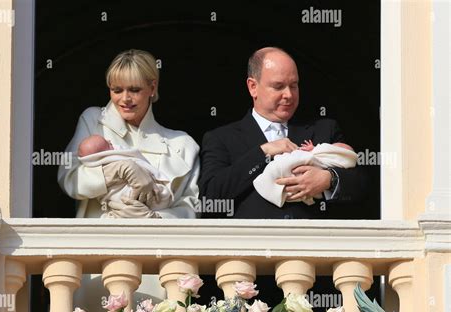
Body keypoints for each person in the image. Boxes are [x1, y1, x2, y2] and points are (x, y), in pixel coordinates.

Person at [198, 47, 366, 219]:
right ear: (253, 87)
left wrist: (329, 179)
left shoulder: (325, 129)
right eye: (278, 86)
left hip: (313, 242)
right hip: (253, 243)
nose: (289, 95)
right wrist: (263, 152)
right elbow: (209, 197)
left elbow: (361, 185)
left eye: (294, 86)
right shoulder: (221, 138)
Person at [58, 49, 199, 219]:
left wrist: (156, 219)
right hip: (98, 242)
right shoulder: (93, 120)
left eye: (134, 90)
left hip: (156, 243)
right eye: (117, 90)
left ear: (152, 88)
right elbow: (69, 178)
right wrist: (116, 171)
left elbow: (190, 206)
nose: (125, 98)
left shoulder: (183, 144)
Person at [77, 134, 173, 217]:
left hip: (161, 216)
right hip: (115, 210)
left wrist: (157, 219)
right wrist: (117, 169)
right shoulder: (90, 118)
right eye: (108, 144)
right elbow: (73, 175)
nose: (110, 141)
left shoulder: (182, 143)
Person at [253, 139, 357, 207]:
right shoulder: (236, 134)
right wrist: (263, 150)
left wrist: (329, 178)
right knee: (280, 166)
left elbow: (357, 177)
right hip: (256, 226)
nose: (287, 103)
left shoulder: (328, 126)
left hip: (314, 225)